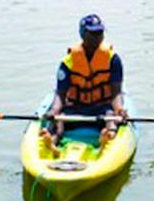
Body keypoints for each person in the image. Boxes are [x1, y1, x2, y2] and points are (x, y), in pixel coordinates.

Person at [40, 14, 127, 150]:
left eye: (100, 32)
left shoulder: (112, 59)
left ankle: (107, 140)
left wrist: (119, 110)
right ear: (83, 34)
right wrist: (54, 110)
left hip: (102, 107)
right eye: (93, 33)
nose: (97, 36)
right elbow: (61, 93)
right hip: (75, 107)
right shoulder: (69, 61)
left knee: (111, 119)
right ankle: (53, 141)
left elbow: (116, 92)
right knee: (59, 120)